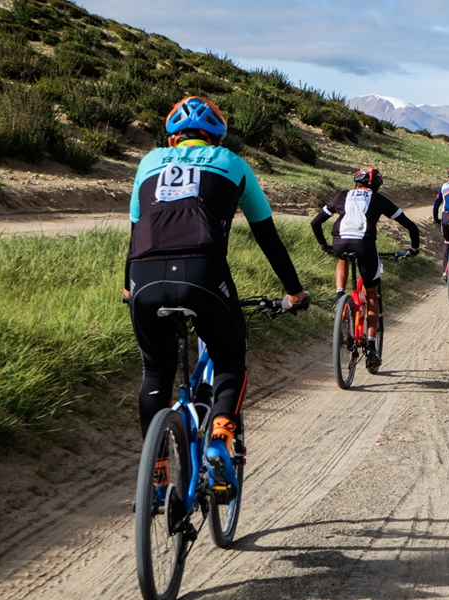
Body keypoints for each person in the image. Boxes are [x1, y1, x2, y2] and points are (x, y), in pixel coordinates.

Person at [125, 96, 311, 499]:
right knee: (230, 355)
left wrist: (129, 287)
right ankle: (220, 435)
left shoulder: (148, 163)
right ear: (217, 136)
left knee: (156, 373)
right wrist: (294, 292)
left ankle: (156, 473)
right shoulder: (232, 163)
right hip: (203, 275)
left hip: (143, 277)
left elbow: (135, 231)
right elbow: (268, 238)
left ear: (173, 138)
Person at [311, 166, 420, 369]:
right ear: (377, 187)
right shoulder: (378, 199)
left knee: (341, 257)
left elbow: (316, 222)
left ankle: (339, 296)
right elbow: (411, 226)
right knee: (371, 295)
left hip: (340, 242)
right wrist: (413, 248)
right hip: (365, 244)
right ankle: (370, 346)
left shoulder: (343, 195)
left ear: (356, 183)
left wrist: (324, 245)